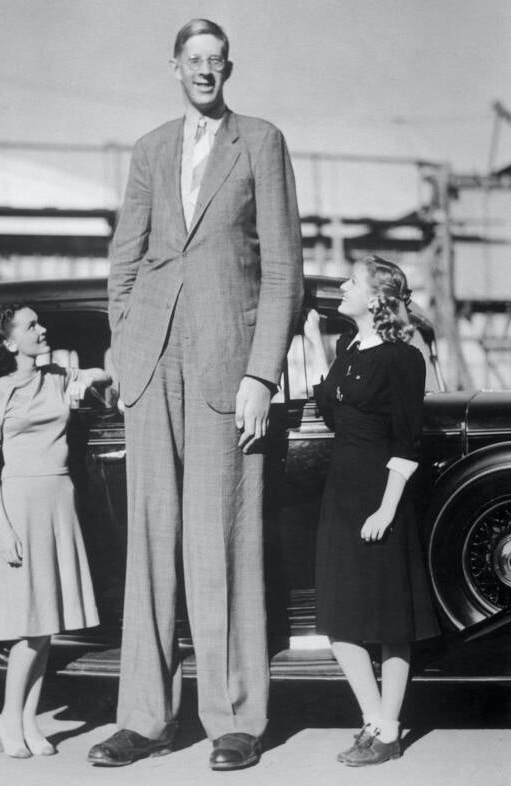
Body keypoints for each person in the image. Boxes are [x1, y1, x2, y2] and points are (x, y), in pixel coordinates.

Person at [88, 18, 303, 772]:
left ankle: (235, 718)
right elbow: (124, 263)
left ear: (228, 69)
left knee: (223, 542)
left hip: (226, 369)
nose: (205, 71)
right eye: (193, 61)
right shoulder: (151, 149)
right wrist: (124, 349)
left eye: (216, 61)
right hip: (150, 369)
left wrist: (260, 374)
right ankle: (145, 718)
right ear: (174, 68)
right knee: (149, 543)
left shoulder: (262, 142)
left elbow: (283, 271)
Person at [304, 255, 439, 767]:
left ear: (376, 298)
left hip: (381, 497)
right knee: (339, 621)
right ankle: (377, 722)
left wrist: (386, 508)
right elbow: (335, 416)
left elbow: (407, 440)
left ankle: (387, 730)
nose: (341, 287)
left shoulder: (404, 359)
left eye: (351, 282)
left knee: (389, 620)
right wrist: (316, 344)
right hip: (341, 494)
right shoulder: (348, 347)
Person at [0, 304, 111, 758]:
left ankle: (29, 720)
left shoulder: (56, 376)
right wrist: (4, 528)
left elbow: (103, 377)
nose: (42, 329)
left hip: (59, 498)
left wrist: (90, 378)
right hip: (21, 504)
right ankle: (8, 717)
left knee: (46, 623)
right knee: (30, 626)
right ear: (11, 342)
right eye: (31, 325)